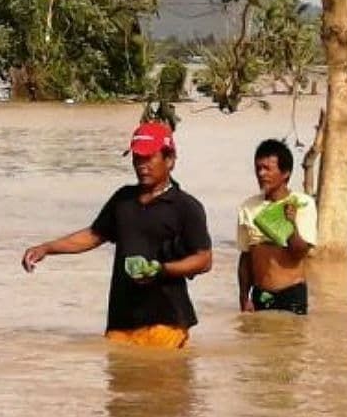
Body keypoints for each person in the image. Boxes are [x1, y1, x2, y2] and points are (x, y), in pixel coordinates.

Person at [21, 121, 212, 349]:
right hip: (121, 319)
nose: (142, 166)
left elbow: (204, 260)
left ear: (169, 160)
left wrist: (161, 270)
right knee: (120, 381)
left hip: (166, 319)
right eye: (137, 159)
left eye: (149, 158)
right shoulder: (123, 199)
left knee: (162, 381)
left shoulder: (185, 207)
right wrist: (46, 248)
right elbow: (94, 234)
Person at [236, 139, 317, 315]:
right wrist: (244, 297)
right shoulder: (248, 207)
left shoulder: (302, 204)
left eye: (267, 169)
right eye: (258, 168)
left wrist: (290, 225)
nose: (261, 174)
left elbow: (300, 253)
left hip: (292, 293)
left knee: (290, 341)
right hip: (261, 294)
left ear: (285, 173)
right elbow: (246, 256)